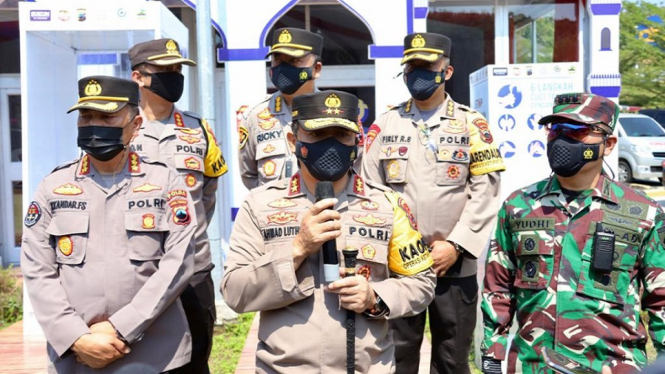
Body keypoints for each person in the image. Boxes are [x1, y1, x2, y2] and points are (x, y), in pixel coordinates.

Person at [222, 90, 436, 373]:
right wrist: (296, 249)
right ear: (292, 140)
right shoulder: (260, 204)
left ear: (356, 141)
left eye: (341, 135)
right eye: (318, 135)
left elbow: (422, 283)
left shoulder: (386, 203)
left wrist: (374, 297)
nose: (331, 144)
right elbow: (235, 291)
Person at [21, 76, 196, 373]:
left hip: (154, 354)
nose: (94, 124)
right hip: (76, 356)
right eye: (86, 116)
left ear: (136, 124)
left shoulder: (165, 182)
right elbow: (38, 270)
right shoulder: (53, 186)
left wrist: (119, 328)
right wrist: (75, 336)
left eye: (106, 116)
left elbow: (177, 265)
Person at [481, 93, 665, 374]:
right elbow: (498, 289)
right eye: (556, 129)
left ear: (609, 144)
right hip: (533, 366)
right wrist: (493, 357)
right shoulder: (519, 206)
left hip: (612, 366)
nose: (562, 140)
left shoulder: (643, 212)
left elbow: (661, 300)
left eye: (577, 131)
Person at [361, 32, 505, 374]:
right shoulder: (386, 124)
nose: (418, 73)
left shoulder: (471, 124)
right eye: (411, 66)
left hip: (453, 265)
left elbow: (486, 189)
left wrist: (456, 245)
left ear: (447, 71)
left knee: (452, 357)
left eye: (427, 66)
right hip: (399, 267)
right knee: (397, 355)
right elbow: (369, 189)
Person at [128, 38, 228, 374]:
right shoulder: (122, 130)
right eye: (164, 70)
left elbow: (208, 193)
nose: (173, 76)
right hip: (139, 272)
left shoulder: (199, 129)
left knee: (196, 360)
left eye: (177, 69)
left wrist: (188, 233)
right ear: (138, 77)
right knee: (140, 360)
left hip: (192, 271)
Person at [238, 27, 323, 189]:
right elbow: (249, 175)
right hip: (274, 212)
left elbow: (355, 170)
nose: (284, 68)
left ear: (316, 69)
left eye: (293, 61)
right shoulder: (255, 116)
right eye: (278, 61)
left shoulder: (339, 113)